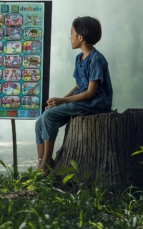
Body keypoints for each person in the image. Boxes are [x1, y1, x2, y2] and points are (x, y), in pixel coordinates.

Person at [35, 16, 113, 176]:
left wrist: (62, 101)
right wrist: (59, 101)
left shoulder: (96, 59)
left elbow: (91, 92)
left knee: (49, 116)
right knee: (40, 120)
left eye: (71, 33)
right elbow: (79, 85)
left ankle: (47, 162)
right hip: (82, 101)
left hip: (95, 104)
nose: (69, 37)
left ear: (80, 37)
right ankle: (41, 162)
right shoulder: (80, 58)